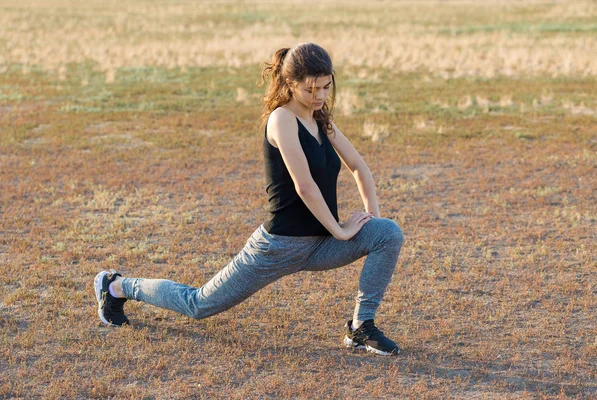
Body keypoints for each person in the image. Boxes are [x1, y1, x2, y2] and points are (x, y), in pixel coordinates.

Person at [94, 43, 404, 356]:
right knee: (198, 304)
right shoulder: (281, 120)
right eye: (312, 90)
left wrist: (370, 218)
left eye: (326, 87)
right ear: (289, 84)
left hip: (320, 244)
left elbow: (359, 167)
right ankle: (117, 286)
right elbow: (305, 187)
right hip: (278, 247)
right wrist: (341, 230)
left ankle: (361, 327)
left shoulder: (321, 119)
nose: (320, 97)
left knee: (387, 232)